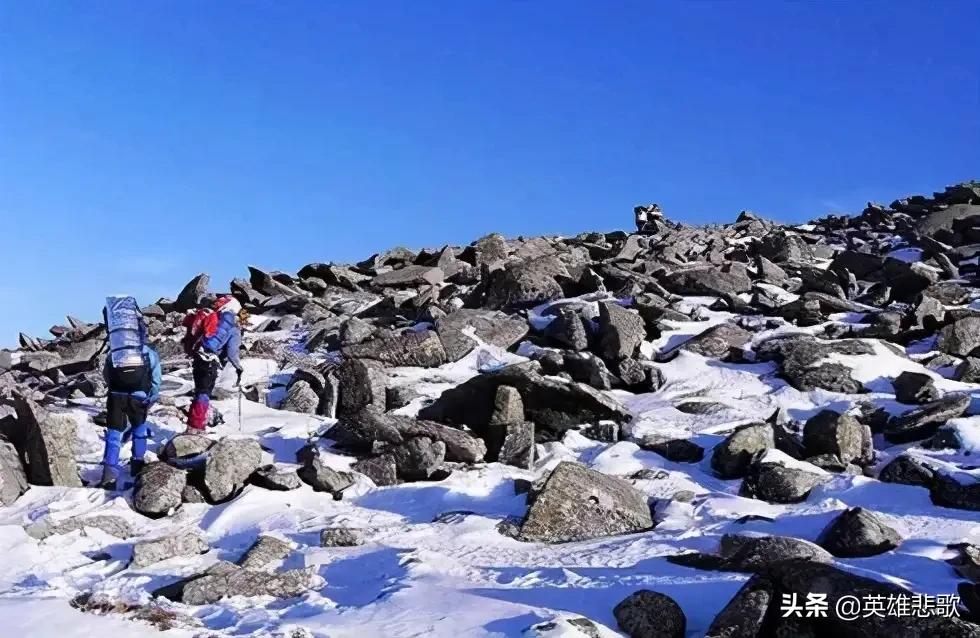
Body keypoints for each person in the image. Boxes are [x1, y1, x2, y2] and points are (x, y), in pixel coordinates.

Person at [100, 296, 162, 488]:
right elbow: (156, 377)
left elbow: (106, 374)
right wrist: (152, 394)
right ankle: (137, 465)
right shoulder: (146, 352)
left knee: (113, 434)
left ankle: (109, 474)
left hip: (116, 396)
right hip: (139, 395)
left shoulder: (115, 353)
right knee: (139, 430)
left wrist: (114, 389)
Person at [186, 295, 244, 432]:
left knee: (199, 391)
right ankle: (197, 427)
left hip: (198, 358)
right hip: (210, 361)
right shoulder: (233, 328)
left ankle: (192, 425)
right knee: (204, 394)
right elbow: (232, 353)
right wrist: (239, 367)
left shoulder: (211, 317)